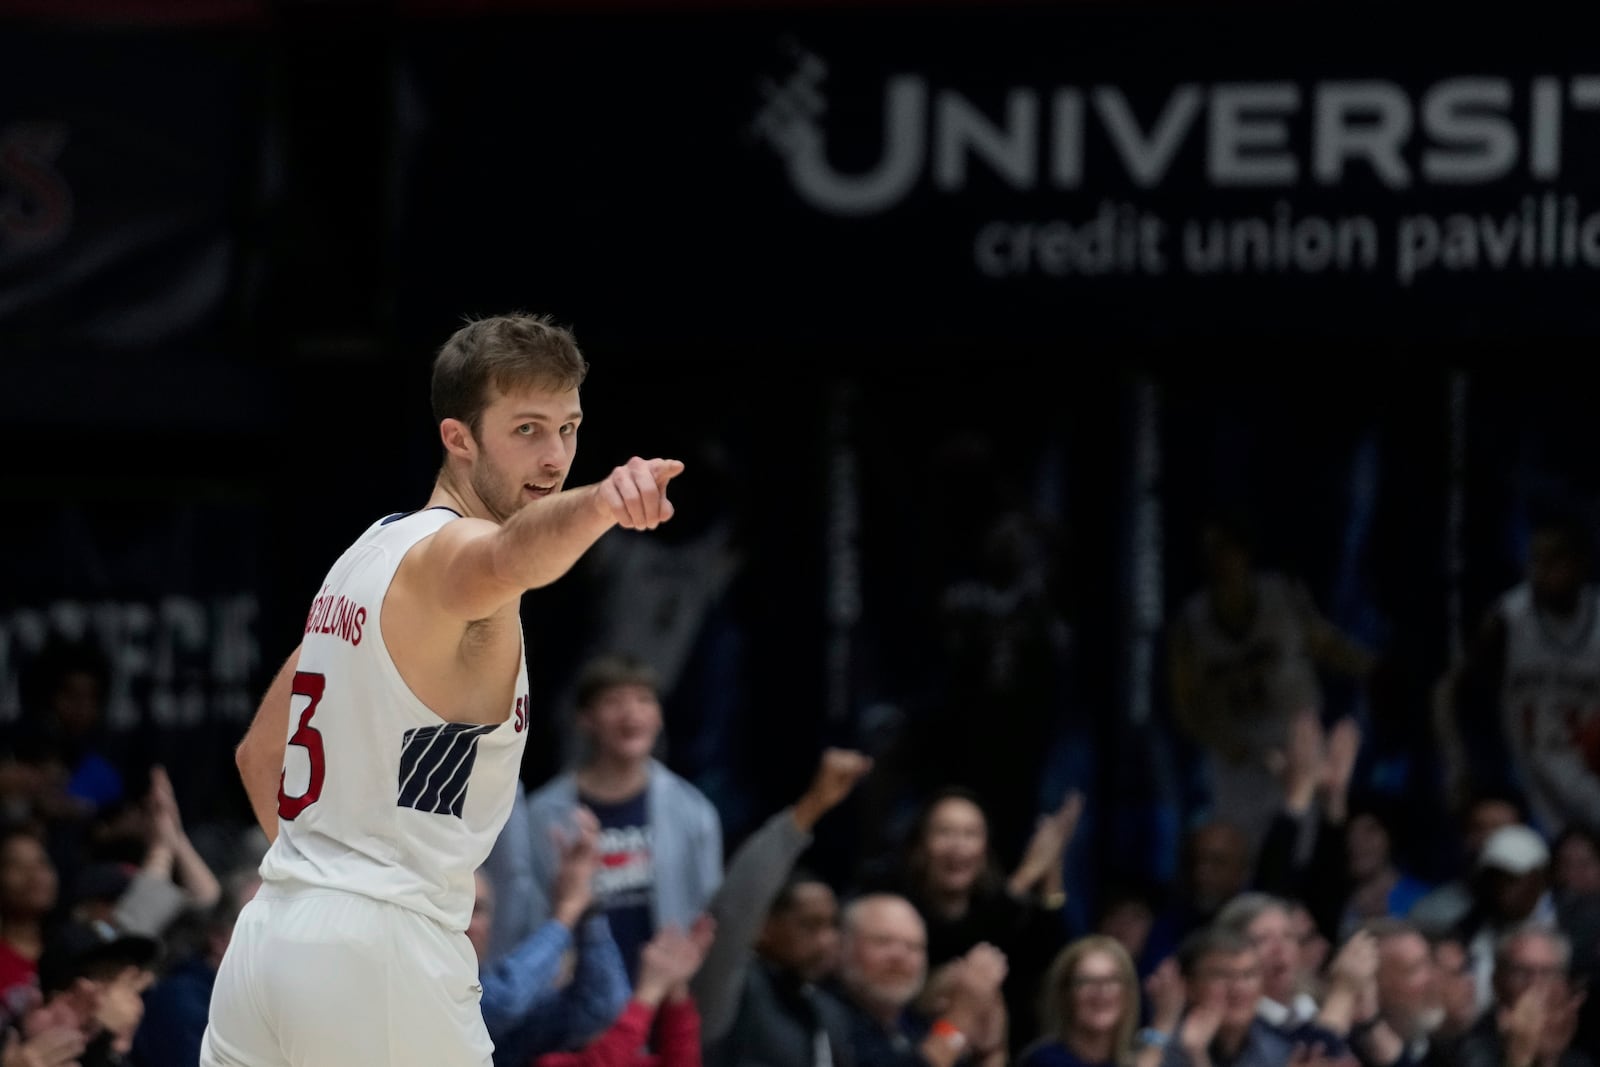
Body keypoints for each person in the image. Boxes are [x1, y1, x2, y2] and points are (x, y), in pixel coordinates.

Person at [202, 313, 687, 1067]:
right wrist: (601, 504)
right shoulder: (455, 559)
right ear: (458, 437)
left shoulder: (363, 558)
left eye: (569, 426)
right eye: (527, 428)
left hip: (270, 939)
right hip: (382, 946)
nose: (555, 456)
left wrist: (325, 898)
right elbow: (507, 554)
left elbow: (260, 754)